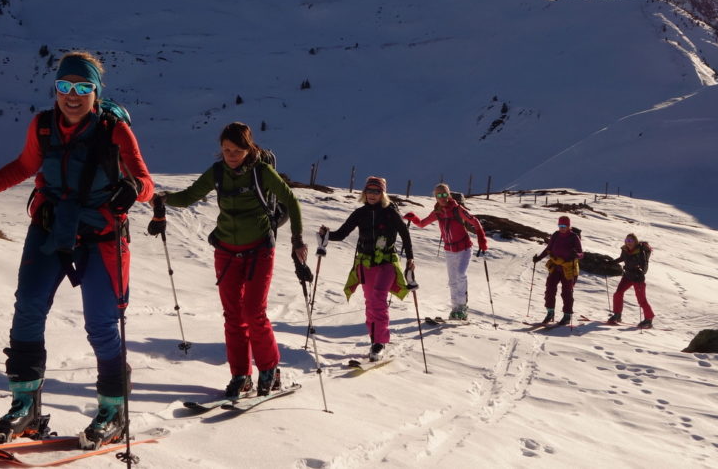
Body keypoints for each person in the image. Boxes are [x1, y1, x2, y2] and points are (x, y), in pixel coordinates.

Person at [0, 51, 153, 448]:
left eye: (82, 87)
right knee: (28, 305)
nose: (72, 95)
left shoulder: (114, 130)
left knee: (100, 323)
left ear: (96, 92)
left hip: (101, 233)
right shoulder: (43, 126)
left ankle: (113, 409)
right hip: (50, 227)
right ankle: (24, 405)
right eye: (64, 86)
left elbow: (145, 182)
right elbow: (26, 165)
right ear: (55, 89)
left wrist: (132, 190)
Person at [152, 122, 307, 398]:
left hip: (259, 249)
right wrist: (162, 199)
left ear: (249, 149)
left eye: (237, 150)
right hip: (225, 251)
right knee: (233, 316)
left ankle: (270, 369)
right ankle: (241, 375)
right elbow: (189, 196)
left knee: (253, 312)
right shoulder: (218, 172)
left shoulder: (262, 171)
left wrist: (297, 241)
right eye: (226, 150)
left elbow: (290, 200)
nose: (231, 155)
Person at [319, 176, 413, 361]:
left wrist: (410, 258)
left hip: (385, 263)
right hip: (365, 263)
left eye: (376, 191)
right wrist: (327, 234)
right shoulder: (360, 213)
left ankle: (380, 342)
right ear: (364, 193)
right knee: (370, 302)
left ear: (382, 193)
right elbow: (342, 234)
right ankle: (374, 338)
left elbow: (405, 234)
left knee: (378, 299)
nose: (372, 195)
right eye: (369, 191)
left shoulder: (390, 213)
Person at [403, 183, 487, 321]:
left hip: (464, 248)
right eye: (439, 195)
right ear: (435, 197)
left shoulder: (457, 209)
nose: (442, 198)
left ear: (449, 195)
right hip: (449, 251)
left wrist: (481, 238)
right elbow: (423, 223)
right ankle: (455, 309)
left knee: (460, 275)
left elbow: (475, 221)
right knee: (452, 280)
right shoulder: (437, 212)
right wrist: (413, 218)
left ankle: (462, 307)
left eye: (444, 194)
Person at [532, 216, 583, 326]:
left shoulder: (574, 237)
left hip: (569, 268)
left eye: (564, 226)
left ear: (569, 226)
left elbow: (581, 254)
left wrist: (576, 255)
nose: (562, 228)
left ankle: (567, 316)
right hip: (555, 266)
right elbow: (549, 249)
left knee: (567, 292)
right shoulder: (555, 235)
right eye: (560, 225)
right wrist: (539, 258)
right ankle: (550, 312)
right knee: (549, 289)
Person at [607, 233, 655, 328]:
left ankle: (648, 319)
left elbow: (645, 266)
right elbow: (622, 258)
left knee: (641, 300)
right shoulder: (625, 249)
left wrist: (641, 272)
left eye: (630, 241)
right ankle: (617, 315)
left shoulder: (640, 251)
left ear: (635, 241)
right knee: (618, 294)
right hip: (627, 276)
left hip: (638, 278)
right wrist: (611, 262)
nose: (628, 243)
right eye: (626, 240)